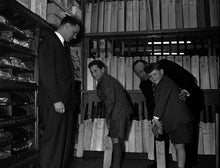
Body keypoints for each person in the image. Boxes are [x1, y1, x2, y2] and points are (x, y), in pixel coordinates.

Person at [132, 59, 204, 167]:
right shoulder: (145, 84)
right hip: (167, 112)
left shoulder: (165, 66)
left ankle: (187, 164)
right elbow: (152, 104)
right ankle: (160, 163)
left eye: (143, 70)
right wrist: (154, 122)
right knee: (159, 134)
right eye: (138, 73)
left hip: (188, 103)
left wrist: (185, 91)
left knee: (186, 139)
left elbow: (188, 78)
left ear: (148, 66)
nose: (142, 74)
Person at [38, 16, 81, 168]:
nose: (75, 36)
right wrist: (56, 99)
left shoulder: (62, 45)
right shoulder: (50, 42)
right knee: (53, 143)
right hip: (54, 103)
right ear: (67, 26)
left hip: (64, 103)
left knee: (62, 144)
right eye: (74, 32)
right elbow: (47, 73)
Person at [145, 62, 194, 168]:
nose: (153, 78)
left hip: (180, 120)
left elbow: (162, 102)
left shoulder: (165, 83)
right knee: (178, 146)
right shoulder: (160, 84)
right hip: (176, 120)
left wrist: (156, 119)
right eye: (150, 76)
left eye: (155, 74)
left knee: (179, 147)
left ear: (161, 72)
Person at [88, 60, 132, 168]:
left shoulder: (105, 80)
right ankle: (115, 165)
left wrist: (108, 118)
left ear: (103, 69)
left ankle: (115, 166)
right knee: (117, 140)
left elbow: (110, 100)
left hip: (117, 113)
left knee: (115, 140)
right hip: (120, 112)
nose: (94, 74)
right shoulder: (106, 79)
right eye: (91, 72)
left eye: (95, 71)